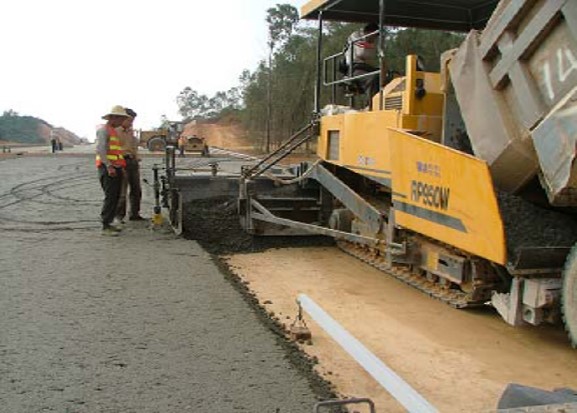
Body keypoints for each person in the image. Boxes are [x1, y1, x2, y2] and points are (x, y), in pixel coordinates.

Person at [95, 105, 130, 236]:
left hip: (116, 168)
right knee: (110, 197)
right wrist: (109, 166)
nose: (122, 122)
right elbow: (101, 150)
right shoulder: (104, 131)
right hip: (108, 169)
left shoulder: (112, 131)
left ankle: (109, 223)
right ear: (114, 118)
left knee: (115, 197)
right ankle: (106, 225)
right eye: (121, 119)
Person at [115, 108, 146, 223]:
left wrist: (136, 157)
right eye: (129, 120)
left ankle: (134, 213)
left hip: (132, 162)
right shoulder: (115, 131)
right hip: (121, 162)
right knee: (122, 191)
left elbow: (134, 147)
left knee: (136, 189)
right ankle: (119, 216)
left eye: (132, 121)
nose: (131, 123)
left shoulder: (130, 131)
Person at [344, 23, 381, 106]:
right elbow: (362, 53)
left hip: (368, 68)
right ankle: (370, 105)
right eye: (373, 36)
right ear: (368, 32)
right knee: (372, 78)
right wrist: (371, 45)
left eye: (375, 37)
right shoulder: (356, 36)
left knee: (388, 76)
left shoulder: (373, 41)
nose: (374, 39)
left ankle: (382, 102)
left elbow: (372, 56)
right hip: (355, 67)